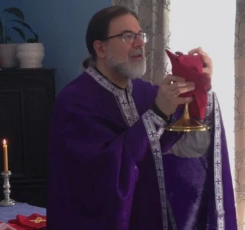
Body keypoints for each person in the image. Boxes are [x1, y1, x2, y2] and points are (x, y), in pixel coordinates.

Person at [47, 5, 237, 230]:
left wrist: (198, 89)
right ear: (100, 48)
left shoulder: (145, 93)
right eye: (128, 36)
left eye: (140, 35)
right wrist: (156, 114)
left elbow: (186, 147)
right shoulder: (74, 102)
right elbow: (98, 179)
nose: (140, 43)